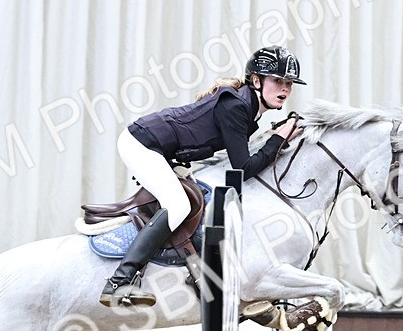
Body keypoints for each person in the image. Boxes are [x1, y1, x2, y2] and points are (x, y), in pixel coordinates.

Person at [99, 45, 307, 307]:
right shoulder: (236, 107)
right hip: (142, 143)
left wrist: (275, 139)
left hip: (161, 149)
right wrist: (277, 140)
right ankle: (120, 281)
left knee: (197, 201)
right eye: (278, 81)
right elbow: (243, 169)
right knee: (178, 206)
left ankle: (195, 271)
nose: (285, 89)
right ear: (256, 80)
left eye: (289, 84)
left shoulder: (246, 107)